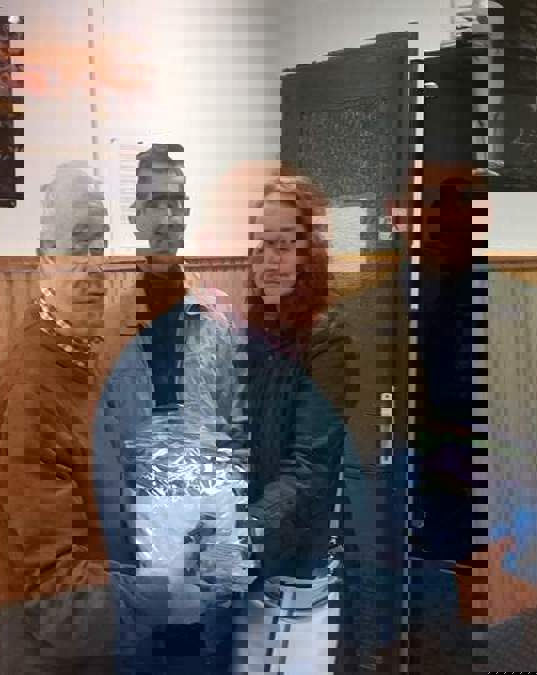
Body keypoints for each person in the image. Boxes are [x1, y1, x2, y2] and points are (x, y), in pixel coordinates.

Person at [92, 143, 250, 674]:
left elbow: (236, 430)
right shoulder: (111, 331)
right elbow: (103, 451)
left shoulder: (213, 320)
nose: (166, 216)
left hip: (211, 538)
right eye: (154, 202)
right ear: (135, 215)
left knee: (214, 656)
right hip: (144, 548)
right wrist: (128, 549)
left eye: (175, 202)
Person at [0, 161, 120, 675]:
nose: (93, 265)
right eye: (77, 243)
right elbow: (57, 594)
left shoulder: (79, 354)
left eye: (99, 244)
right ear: (44, 257)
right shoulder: (34, 389)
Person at [230, 170, 357, 674]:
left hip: (300, 559)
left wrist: (242, 537)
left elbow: (310, 470)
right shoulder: (255, 333)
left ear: (310, 254)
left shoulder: (328, 340)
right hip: (254, 556)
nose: (268, 262)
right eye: (260, 248)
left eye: (282, 247)